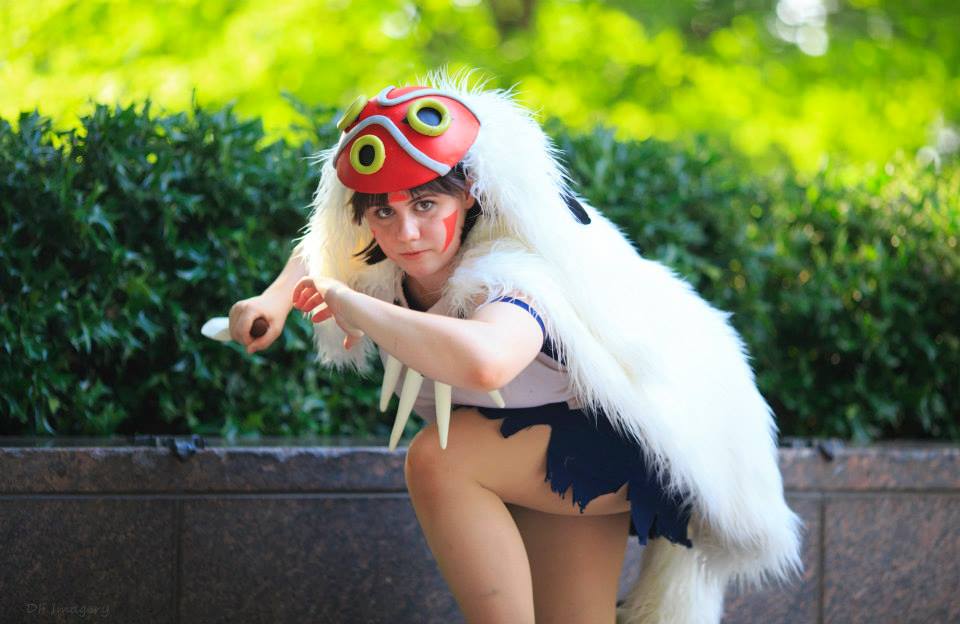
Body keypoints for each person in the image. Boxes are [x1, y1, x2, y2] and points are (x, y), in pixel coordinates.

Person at [229, 69, 803, 624]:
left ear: (468, 196)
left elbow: (487, 360)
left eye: (426, 205)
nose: (406, 233)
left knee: (440, 460)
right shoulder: (378, 256)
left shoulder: (514, 269)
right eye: (384, 211)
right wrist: (272, 301)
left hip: (633, 438)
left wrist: (354, 306)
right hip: (550, 438)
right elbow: (325, 249)